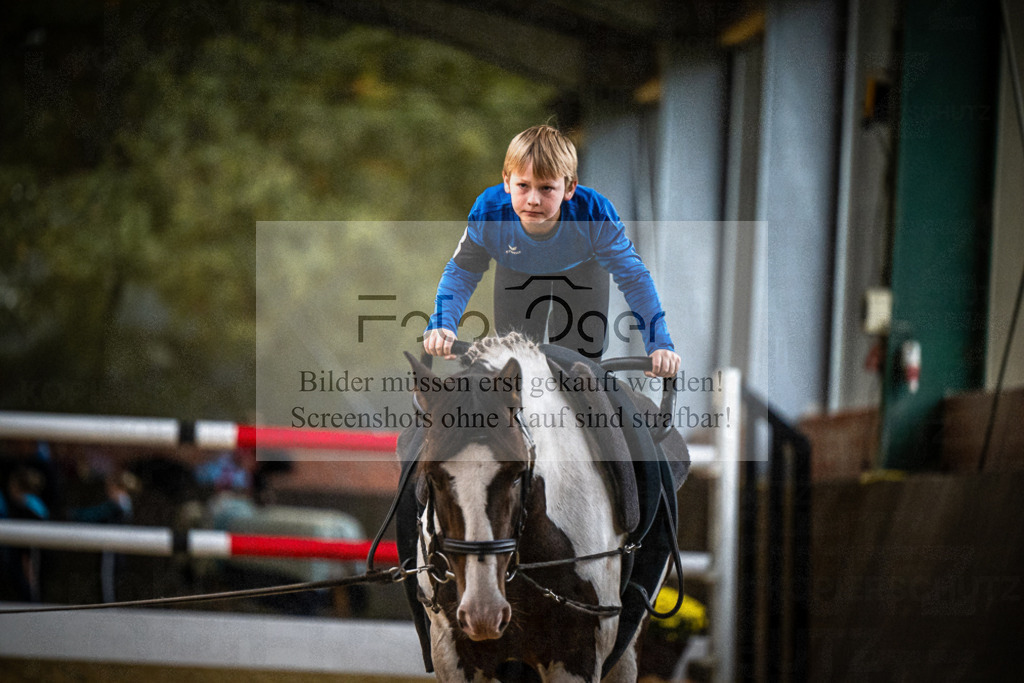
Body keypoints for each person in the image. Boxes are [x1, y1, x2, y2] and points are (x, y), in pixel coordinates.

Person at [423, 124, 680, 378]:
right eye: (523, 185)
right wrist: (443, 323)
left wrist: (659, 344)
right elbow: (461, 273)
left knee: (580, 375)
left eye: (546, 188)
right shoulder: (488, 213)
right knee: (513, 369)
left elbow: (635, 279)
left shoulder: (594, 214)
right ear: (507, 181)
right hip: (517, 272)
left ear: (569, 188)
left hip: (582, 275)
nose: (533, 199)